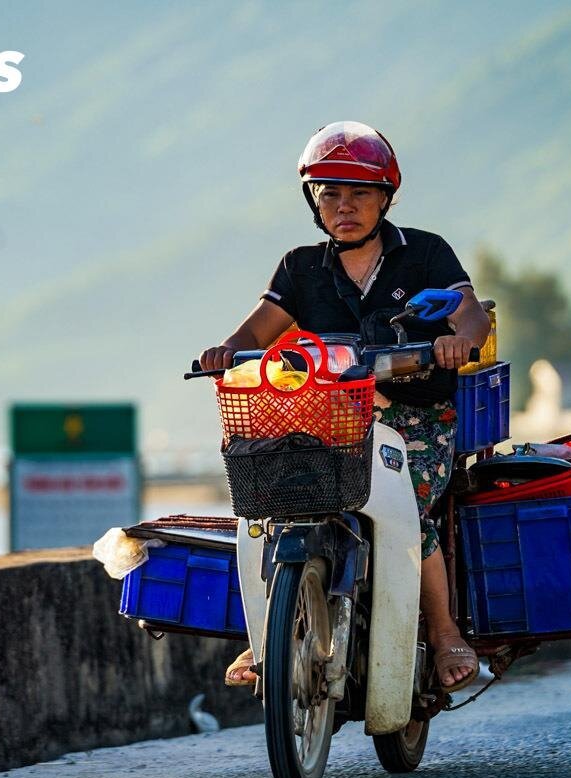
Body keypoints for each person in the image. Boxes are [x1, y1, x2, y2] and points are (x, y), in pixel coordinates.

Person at [200, 121, 491, 694]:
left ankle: (445, 631)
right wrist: (226, 352)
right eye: (330, 194)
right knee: (272, 503)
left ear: (386, 198)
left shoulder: (425, 253)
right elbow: (255, 331)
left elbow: (470, 312)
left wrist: (462, 339)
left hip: (417, 418)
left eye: (359, 193)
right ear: (314, 202)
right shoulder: (300, 267)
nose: (345, 207)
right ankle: (270, 634)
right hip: (332, 419)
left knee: (407, 513)